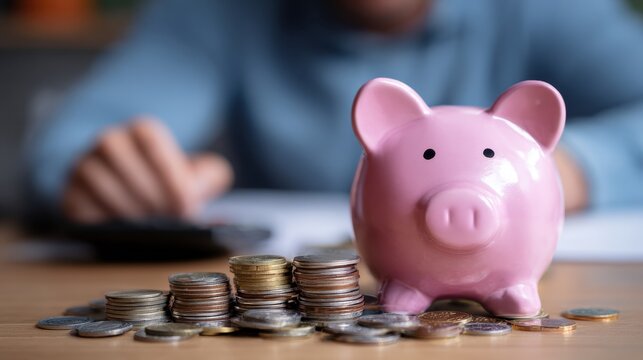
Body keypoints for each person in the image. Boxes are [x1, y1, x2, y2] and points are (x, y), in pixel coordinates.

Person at [24, 0, 643, 223]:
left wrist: (559, 172)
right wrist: (101, 171)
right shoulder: (215, 11)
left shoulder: (550, 7)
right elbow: (75, 140)